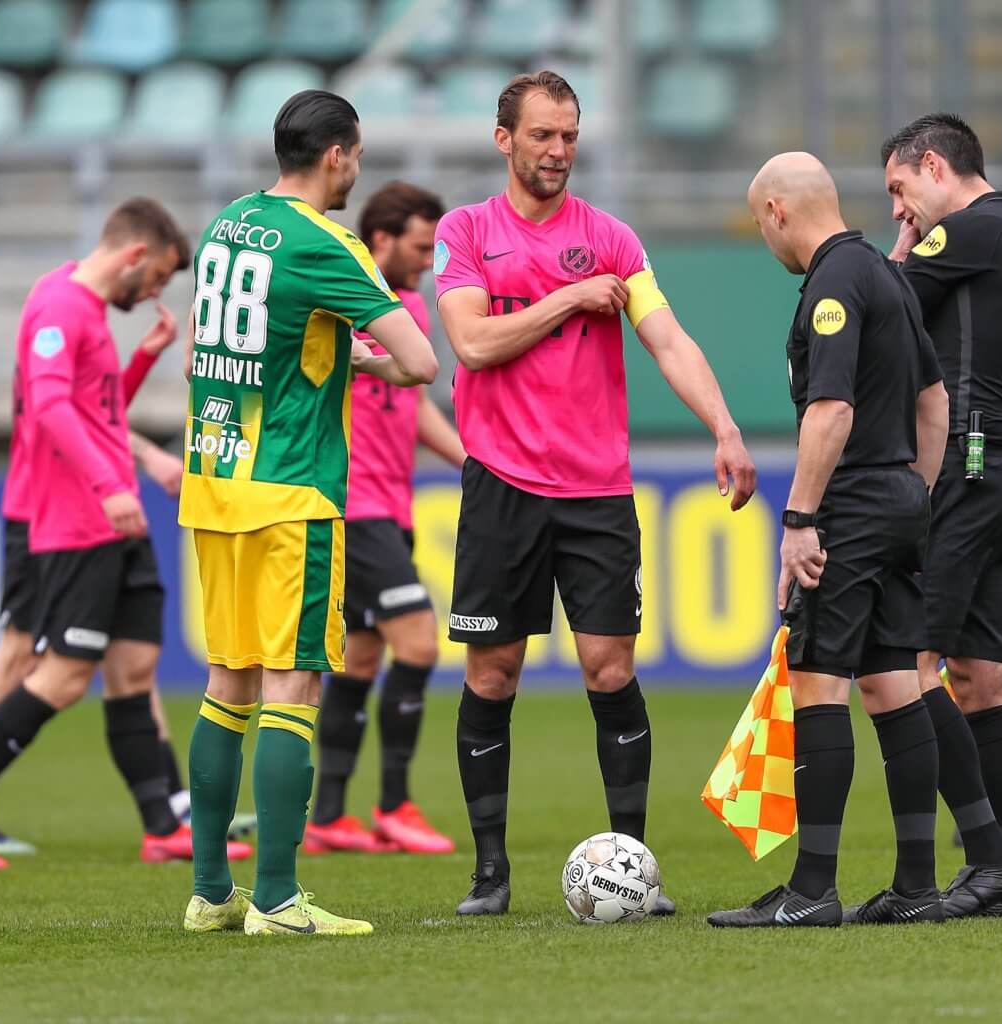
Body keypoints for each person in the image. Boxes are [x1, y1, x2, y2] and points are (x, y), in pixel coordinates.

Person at [434, 70, 757, 918]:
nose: (558, 152)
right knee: (494, 675)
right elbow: (471, 343)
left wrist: (724, 424)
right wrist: (568, 298)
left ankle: (635, 870)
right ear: (504, 140)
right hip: (501, 483)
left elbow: (668, 338)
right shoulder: (465, 232)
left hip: (596, 492)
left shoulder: (612, 238)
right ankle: (490, 874)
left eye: (570, 136)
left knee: (609, 669)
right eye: (542, 135)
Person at [178, 90, 438, 938]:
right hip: (292, 488)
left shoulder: (227, 225)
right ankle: (280, 900)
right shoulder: (329, 244)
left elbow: (198, 354)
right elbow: (420, 360)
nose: (355, 169)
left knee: (227, 684)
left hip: (213, 480)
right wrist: (362, 360)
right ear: (337, 155)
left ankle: (212, 892)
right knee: (294, 682)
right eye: (355, 155)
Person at [0, 198, 252, 872]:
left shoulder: (91, 315)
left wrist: (139, 365)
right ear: (134, 255)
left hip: (114, 516)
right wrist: (107, 486)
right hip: (76, 520)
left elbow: (94, 411)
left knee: (134, 670)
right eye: (159, 277)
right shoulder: (60, 308)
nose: (157, 291)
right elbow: (46, 407)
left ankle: (162, 825)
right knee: (64, 675)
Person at [708, 152, 947, 929]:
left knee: (819, 683)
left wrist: (802, 520)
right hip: (900, 495)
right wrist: (916, 492)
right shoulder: (888, 274)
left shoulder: (834, 284)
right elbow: (934, 401)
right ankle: (918, 886)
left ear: (778, 210)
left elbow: (831, 410)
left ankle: (812, 889)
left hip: (849, 503)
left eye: (759, 222)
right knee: (892, 683)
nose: (765, 238)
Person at [880, 112, 1002, 917]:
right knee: (982, 678)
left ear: (937, 166)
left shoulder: (975, 230)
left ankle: (988, 861)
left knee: (912, 668)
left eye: (900, 189)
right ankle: (998, 868)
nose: (898, 211)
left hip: (966, 462)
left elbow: (875, 302)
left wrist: (904, 246)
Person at [306, 181, 467, 856]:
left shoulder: (408, 308)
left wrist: (469, 459)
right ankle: (396, 804)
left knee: (361, 659)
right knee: (420, 645)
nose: (430, 261)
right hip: (354, 506)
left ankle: (328, 817)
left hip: (389, 508)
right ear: (380, 241)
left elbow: (412, 404)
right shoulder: (349, 299)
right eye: (420, 247)